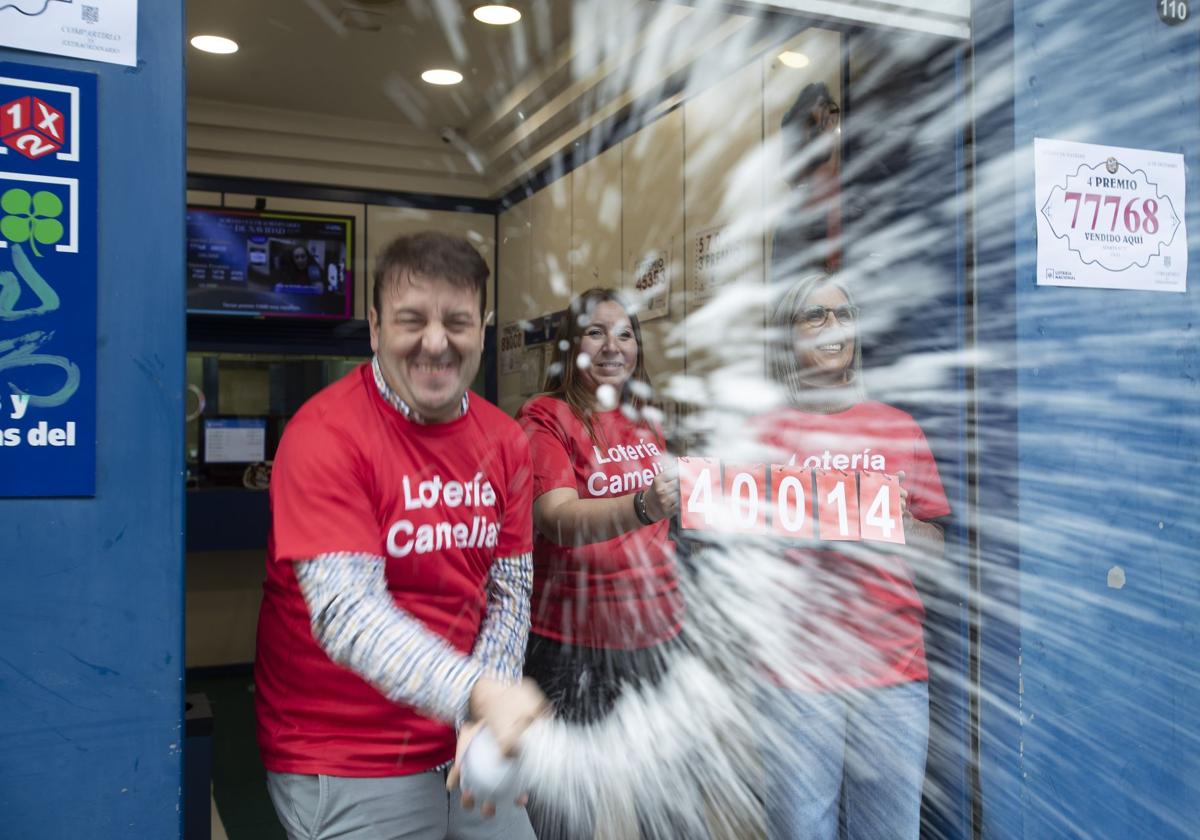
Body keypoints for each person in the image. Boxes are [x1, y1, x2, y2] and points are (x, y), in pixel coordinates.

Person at [254, 231, 546, 840]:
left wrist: (480, 716)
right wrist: (479, 694)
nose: (435, 343)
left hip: (465, 739)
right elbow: (348, 614)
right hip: (344, 755)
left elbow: (508, 591)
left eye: (458, 322)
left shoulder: (505, 441)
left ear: (484, 328)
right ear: (374, 327)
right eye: (411, 320)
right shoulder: (325, 434)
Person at [753, 272, 950, 840]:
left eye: (841, 315)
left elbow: (934, 544)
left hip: (892, 672)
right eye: (813, 316)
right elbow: (733, 552)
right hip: (797, 676)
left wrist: (898, 526)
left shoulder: (898, 428)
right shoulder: (763, 434)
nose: (831, 328)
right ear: (787, 337)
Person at [515, 287, 682, 838]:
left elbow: (668, 523)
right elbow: (557, 516)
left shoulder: (644, 419)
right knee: (569, 816)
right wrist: (642, 506)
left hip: (655, 638)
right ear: (570, 344)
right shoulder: (547, 416)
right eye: (595, 332)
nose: (613, 346)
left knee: (663, 808)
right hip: (572, 646)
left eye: (626, 334)